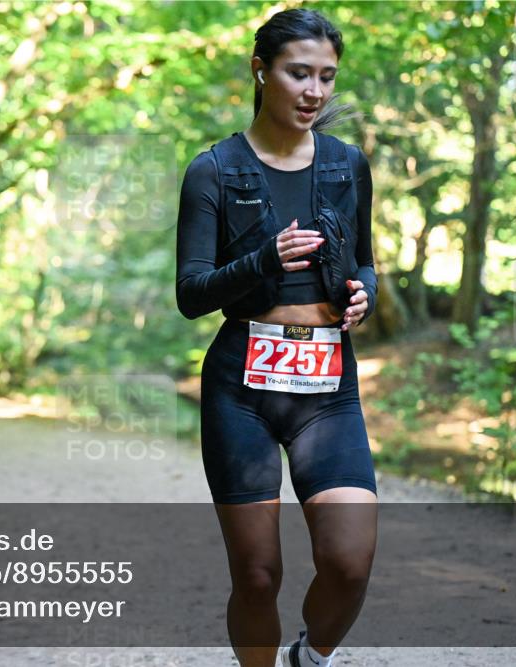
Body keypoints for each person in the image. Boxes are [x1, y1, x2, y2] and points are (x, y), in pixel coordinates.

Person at [175, 9, 378, 667]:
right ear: (261, 71)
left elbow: (367, 260)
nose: (314, 91)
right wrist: (264, 259)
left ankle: (308, 656)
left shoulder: (349, 166)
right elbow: (191, 292)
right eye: (299, 74)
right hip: (242, 388)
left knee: (349, 561)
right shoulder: (213, 170)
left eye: (326, 76)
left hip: (328, 386)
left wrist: (362, 293)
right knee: (258, 574)